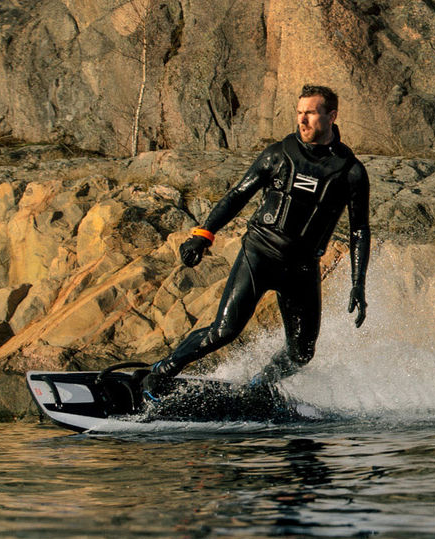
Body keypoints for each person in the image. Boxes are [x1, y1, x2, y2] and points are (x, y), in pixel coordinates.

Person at [140, 84, 369, 399]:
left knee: (301, 353)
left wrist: (358, 283)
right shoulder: (278, 154)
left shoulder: (351, 172)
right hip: (259, 254)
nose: (302, 121)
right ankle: (161, 374)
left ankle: (258, 388)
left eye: (311, 114)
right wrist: (203, 235)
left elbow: (359, 230)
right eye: (299, 112)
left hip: (301, 268)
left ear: (332, 116)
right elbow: (237, 196)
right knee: (225, 331)